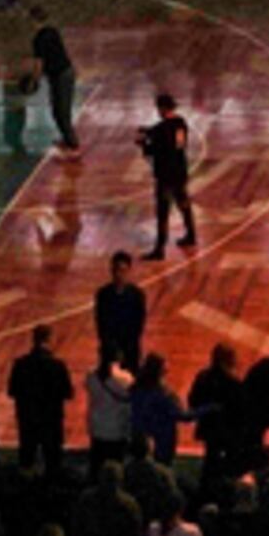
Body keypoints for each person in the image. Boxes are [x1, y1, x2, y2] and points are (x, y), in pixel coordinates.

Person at [8, 327, 75, 474]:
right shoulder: (57, 365)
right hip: (51, 420)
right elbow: (68, 393)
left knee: (26, 459)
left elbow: (11, 391)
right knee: (53, 461)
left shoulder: (20, 364)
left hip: (28, 419)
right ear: (49, 339)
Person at [141, 94, 198, 256]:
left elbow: (153, 150)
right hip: (180, 172)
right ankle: (191, 234)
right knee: (183, 203)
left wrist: (144, 144)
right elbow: (177, 143)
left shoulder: (160, 130)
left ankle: (159, 248)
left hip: (165, 175)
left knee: (163, 211)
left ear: (163, 108)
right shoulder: (181, 124)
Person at [92, 250, 148, 375]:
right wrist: (110, 345)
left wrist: (129, 344)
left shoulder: (137, 295)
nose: (119, 275)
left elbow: (139, 323)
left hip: (130, 349)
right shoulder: (103, 294)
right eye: (116, 270)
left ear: (129, 271)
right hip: (109, 350)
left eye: (123, 270)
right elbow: (101, 322)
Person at [33, 12, 81, 153]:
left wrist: (34, 81)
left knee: (60, 111)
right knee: (59, 109)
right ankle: (67, 139)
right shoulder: (53, 32)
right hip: (65, 73)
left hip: (60, 76)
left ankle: (73, 144)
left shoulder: (38, 39)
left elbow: (39, 63)